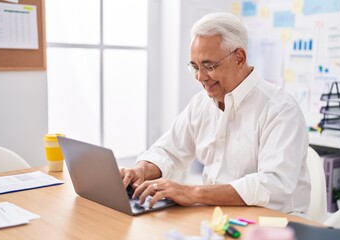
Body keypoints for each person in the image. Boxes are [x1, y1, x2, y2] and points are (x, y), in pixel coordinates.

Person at [120, 12, 310, 214]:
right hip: (217, 218)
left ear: (239, 58)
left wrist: (193, 193)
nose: (200, 77)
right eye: (194, 67)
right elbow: (168, 150)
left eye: (209, 66)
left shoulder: (280, 109)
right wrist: (141, 170)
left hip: (275, 225)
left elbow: (273, 185)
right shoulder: (201, 103)